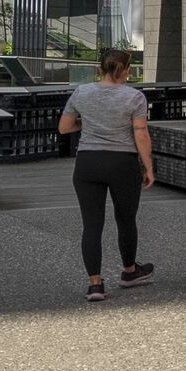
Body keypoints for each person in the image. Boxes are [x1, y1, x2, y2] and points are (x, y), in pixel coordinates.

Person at [62, 49, 156, 301]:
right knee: (125, 219)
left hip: (87, 163)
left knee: (92, 225)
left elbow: (64, 128)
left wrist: (89, 123)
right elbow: (141, 134)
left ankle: (95, 284)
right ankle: (130, 271)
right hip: (121, 163)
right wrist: (148, 166)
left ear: (100, 68)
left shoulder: (81, 92)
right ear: (124, 69)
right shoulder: (134, 97)